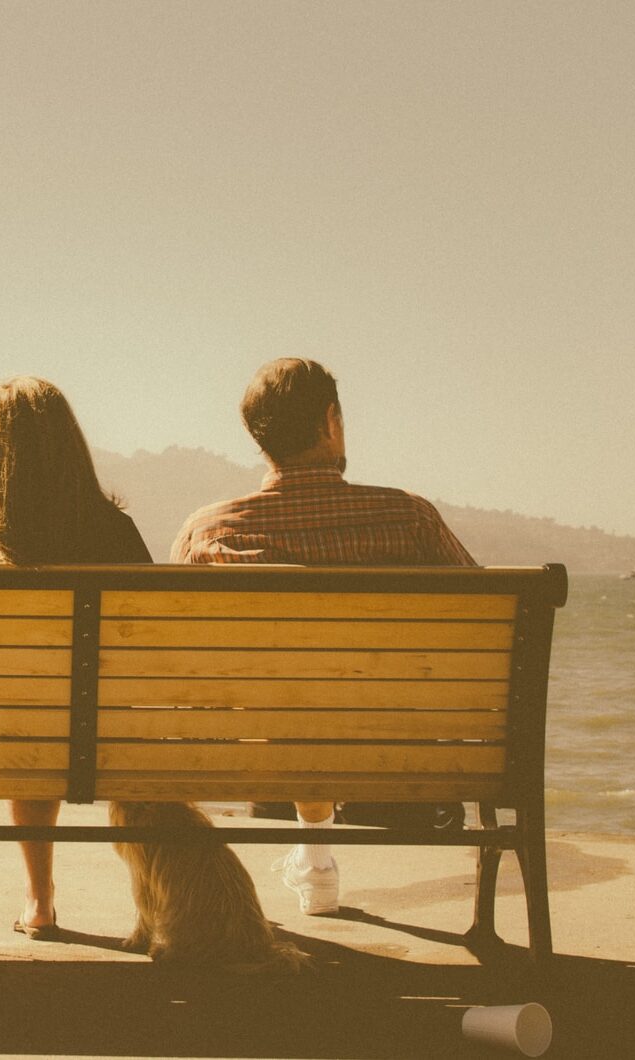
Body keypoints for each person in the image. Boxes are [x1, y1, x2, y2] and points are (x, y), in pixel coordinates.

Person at [170, 358, 475, 916]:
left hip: (264, 763)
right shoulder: (409, 519)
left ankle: (313, 851)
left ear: (259, 439)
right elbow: (482, 634)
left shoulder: (207, 533)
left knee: (288, 722)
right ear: (331, 421)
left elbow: (175, 662)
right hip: (398, 762)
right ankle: (316, 854)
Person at [0, 376, 152, 938]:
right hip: (110, 732)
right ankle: (157, 902)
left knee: (24, 724)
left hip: (11, 734)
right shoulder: (116, 535)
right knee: (57, 716)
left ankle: (39, 898)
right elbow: (147, 649)